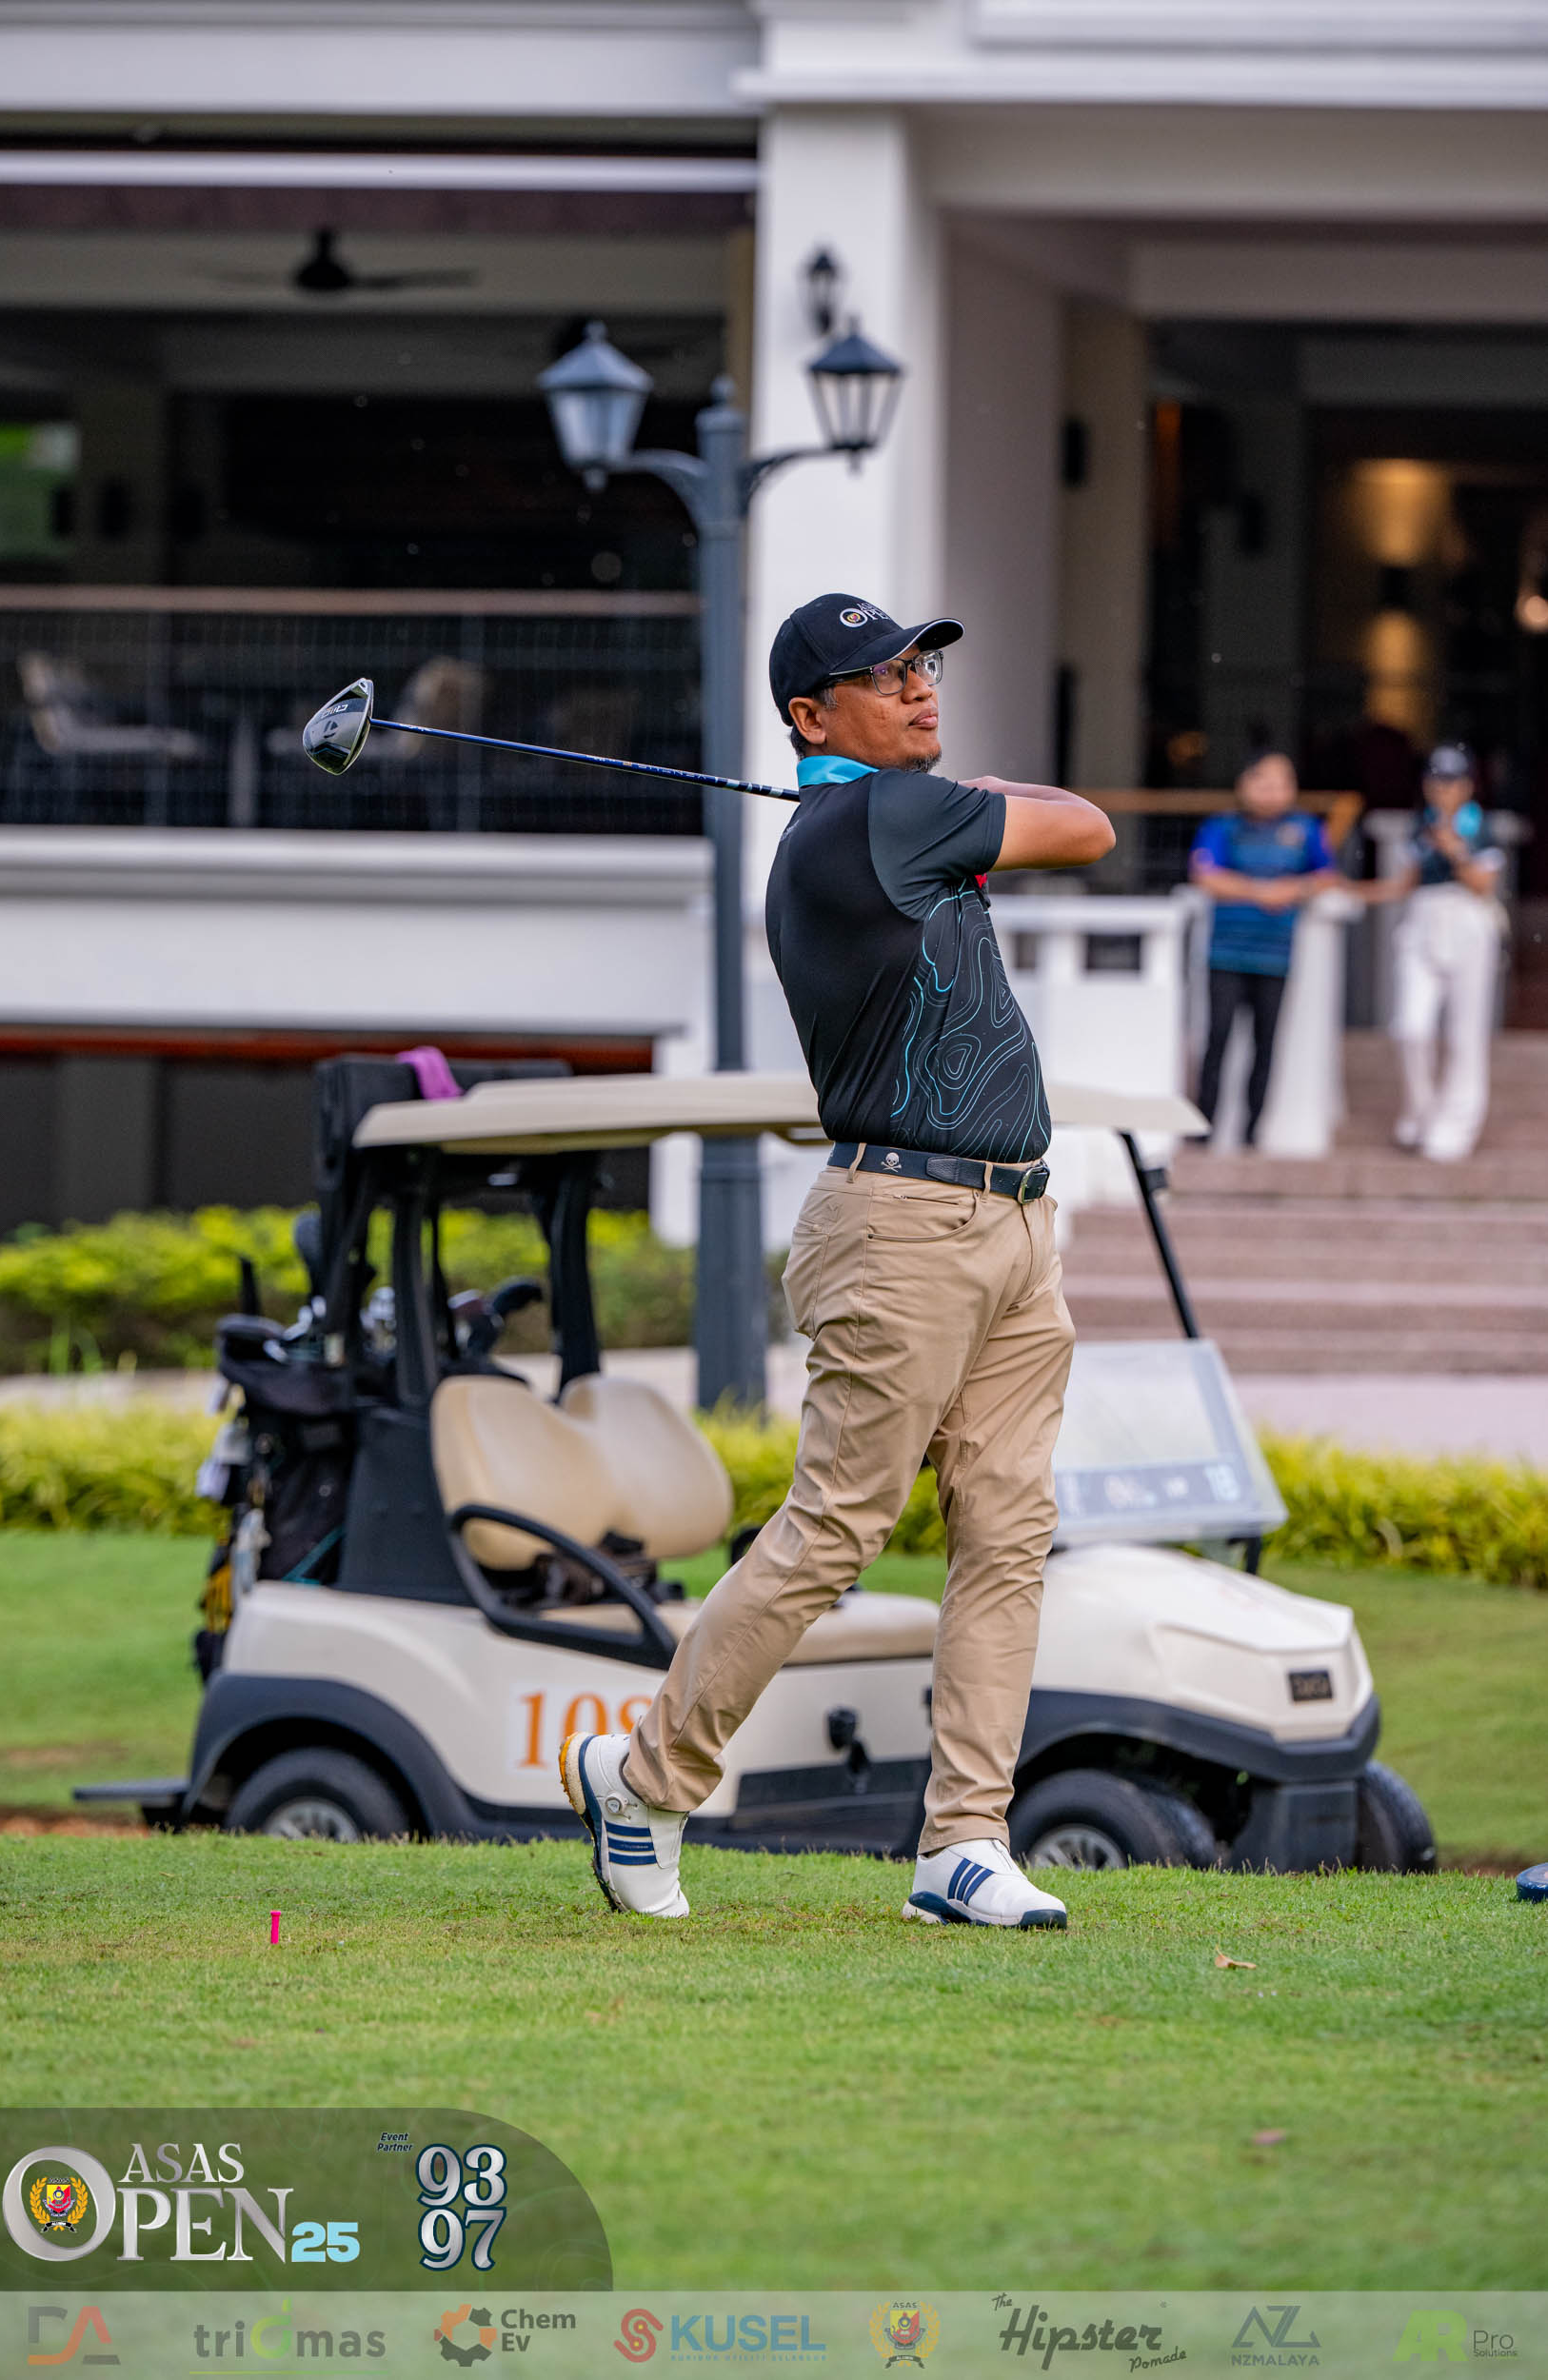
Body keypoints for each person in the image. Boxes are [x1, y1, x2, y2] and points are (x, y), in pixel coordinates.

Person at [561, 591, 1114, 1931]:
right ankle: (644, 1780)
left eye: (922, 666)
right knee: (835, 1528)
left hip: (1014, 1221)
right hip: (903, 1225)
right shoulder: (886, 817)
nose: (919, 688)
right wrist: (952, 795)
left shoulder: (875, 817)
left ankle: (962, 1844)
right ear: (810, 718)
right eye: (884, 677)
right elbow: (1087, 827)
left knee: (1006, 1534)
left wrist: (923, 793)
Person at [1361, 743, 1505, 1162]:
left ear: (1467, 786)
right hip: (1424, 920)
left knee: (1465, 1033)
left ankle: (1458, 1122)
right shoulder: (1418, 825)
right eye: (1437, 782)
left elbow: (1483, 884)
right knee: (1411, 1026)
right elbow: (1404, 883)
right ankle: (1422, 1112)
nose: (1443, 790)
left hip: (1467, 921)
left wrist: (1455, 848)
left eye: (1452, 782)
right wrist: (1352, 890)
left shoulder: (1480, 825)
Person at [1188, 749, 1338, 1146]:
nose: (1273, 791)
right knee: (1217, 1038)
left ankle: (1253, 1132)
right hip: (1226, 952)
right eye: (1264, 782)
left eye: (1282, 783)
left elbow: (1328, 875)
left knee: (1266, 1043)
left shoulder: (1305, 829)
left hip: (1275, 955)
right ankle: (1202, 1128)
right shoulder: (1222, 827)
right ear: (1245, 785)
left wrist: (1295, 888)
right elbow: (1205, 875)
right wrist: (1262, 891)